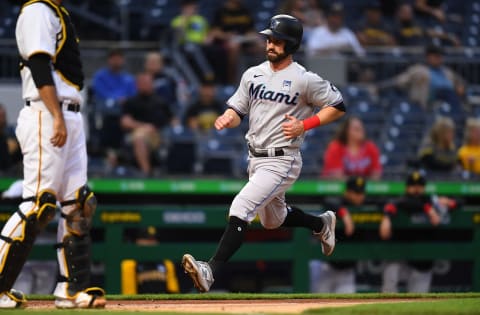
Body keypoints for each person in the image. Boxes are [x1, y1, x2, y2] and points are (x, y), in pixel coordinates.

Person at [181, 14, 346, 293]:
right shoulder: (252, 73)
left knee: (241, 208)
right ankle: (321, 223)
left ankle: (210, 269)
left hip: (283, 158)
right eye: (269, 38)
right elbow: (237, 111)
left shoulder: (304, 79)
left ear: (291, 44)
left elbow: (338, 104)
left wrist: (306, 124)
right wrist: (227, 117)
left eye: (277, 40)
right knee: (273, 221)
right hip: (255, 158)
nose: (270, 43)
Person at [0, 0, 106, 308]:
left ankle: (70, 291)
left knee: (78, 204)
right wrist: (56, 115)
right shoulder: (37, 10)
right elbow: (38, 63)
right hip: (47, 114)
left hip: (69, 114)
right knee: (39, 204)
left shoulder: (56, 12)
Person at [379, 171, 458, 292]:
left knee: (418, 301)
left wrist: (449, 202)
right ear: (407, 187)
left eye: (419, 186)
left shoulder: (431, 200)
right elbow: (399, 203)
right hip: (401, 257)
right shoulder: (402, 200)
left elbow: (458, 203)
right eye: (413, 185)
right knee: (391, 274)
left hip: (423, 262)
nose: (416, 189)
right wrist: (386, 218)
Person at [310, 176, 366, 293]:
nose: (359, 196)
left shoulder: (365, 206)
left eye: (361, 193)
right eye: (355, 193)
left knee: (346, 307)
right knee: (319, 305)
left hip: (347, 271)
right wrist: (343, 213)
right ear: (347, 193)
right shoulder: (338, 203)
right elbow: (327, 201)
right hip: (327, 267)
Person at [377, 44, 465, 109]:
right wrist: (380, 87)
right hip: (429, 100)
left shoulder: (446, 71)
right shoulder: (419, 70)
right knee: (448, 93)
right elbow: (400, 80)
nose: (440, 59)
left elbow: (460, 81)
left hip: (448, 99)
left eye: (440, 56)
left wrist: (460, 86)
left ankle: (458, 114)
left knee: (452, 95)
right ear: (429, 57)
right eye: (437, 56)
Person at [120, 72, 175, 176]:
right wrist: (144, 127)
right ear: (137, 84)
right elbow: (125, 122)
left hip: (159, 134)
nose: (145, 84)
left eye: (148, 82)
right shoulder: (131, 102)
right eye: (142, 82)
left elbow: (172, 120)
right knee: (139, 138)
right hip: (137, 134)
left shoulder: (161, 101)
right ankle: (146, 172)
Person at [209, 0, 263, 83]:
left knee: (262, 45)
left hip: (243, 39)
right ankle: (232, 81)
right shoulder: (220, 11)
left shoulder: (244, 10)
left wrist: (251, 36)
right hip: (225, 41)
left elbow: (251, 29)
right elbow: (215, 32)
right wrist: (226, 35)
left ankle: (262, 78)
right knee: (234, 46)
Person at [0, 103, 20, 174]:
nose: (3, 119)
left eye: (4, 116)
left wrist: (17, 145)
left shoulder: (10, 133)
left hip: (9, 171)